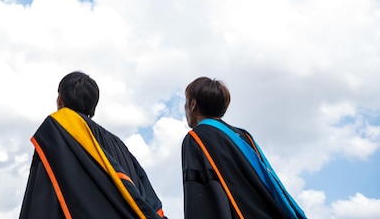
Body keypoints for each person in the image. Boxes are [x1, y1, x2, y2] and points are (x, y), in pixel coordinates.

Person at [19, 71, 167, 219]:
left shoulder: (57, 130)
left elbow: (43, 196)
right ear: (93, 107)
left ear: (60, 100)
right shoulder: (120, 146)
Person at [182, 76, 307, 219]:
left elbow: (201, 195)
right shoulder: (243, 136)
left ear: (193, 104)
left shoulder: (197, 138)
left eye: (186, 102)